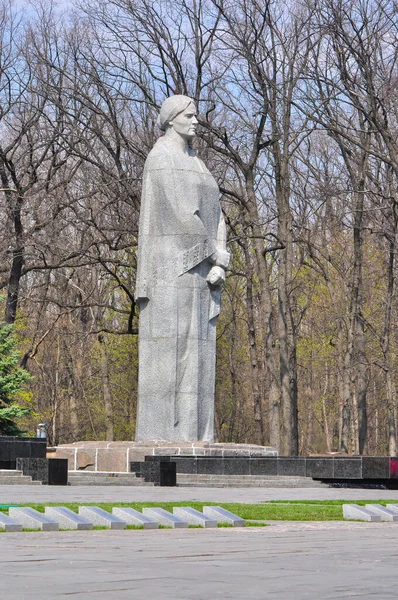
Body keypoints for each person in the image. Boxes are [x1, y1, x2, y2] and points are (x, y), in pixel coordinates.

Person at [134, 95, 229, 442]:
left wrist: (221, 256)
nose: (195, 121)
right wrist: (216, 256)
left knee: (199, 355)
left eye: (196, 116)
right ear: (172, 119)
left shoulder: (198, 164)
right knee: (173, 355)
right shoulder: (161, 159)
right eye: (189, 116)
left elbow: (217, 215)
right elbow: (180, 216)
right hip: (170, 272)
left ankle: (199, 434)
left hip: (201, 273)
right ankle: (167, 435)